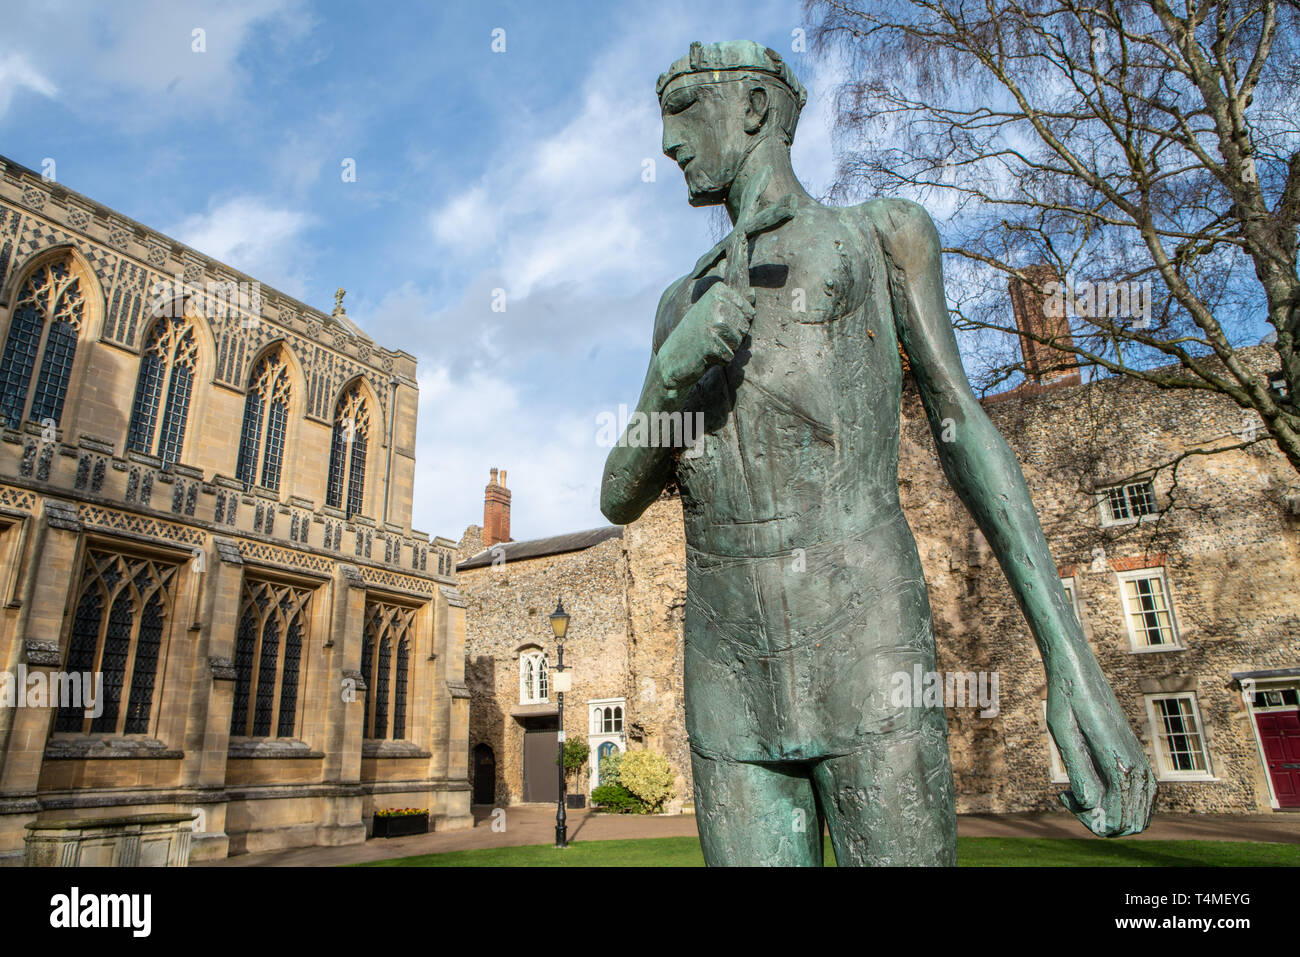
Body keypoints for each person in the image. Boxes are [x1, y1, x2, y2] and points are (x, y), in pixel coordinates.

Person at [600, 40, 1155, 865]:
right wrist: (667, 378)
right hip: (729, 673)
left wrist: (1068, 655)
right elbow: (618, 495)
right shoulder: (681, 303)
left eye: (684, 112)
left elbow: (964, 430)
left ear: (754, 108)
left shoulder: (880, 237)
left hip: (867, 645)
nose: (668, 143)